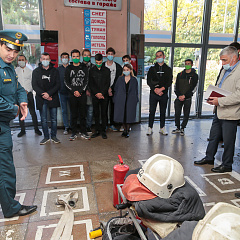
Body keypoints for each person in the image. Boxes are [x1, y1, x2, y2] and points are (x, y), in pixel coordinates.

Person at [0, 30, 37, 218]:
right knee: (5, 170)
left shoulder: (8, 68)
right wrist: (13, 109)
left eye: (15, 52)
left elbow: (18, 88)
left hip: (4, 124)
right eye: (8, 49)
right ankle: (11, 208)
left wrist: (23, 101)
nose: (12, 55)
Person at [194, 46, 240, 173]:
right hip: (219, 110)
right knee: (213, 137)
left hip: (230, 113)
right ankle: (209, 158)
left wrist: (219, 100)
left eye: (224, 60)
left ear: (234, 58)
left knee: (228, 141)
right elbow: (221, 86)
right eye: (221, 60)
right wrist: (213, 96)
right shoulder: (226, 70)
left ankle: (227, 165)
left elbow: (238, 95)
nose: (222, 63)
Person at [32, 52, 61, 145]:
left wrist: (49, 94)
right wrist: (43, 94)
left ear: (49, 60)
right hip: (41, 98)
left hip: (53, 97)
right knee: (43, 119)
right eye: (43, 59)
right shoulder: (36, 71)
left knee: (54, 119)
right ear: (40, 60)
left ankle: (53, 136)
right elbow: (34, 85)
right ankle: (46, 137)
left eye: (47, 59)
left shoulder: (55, 71)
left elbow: (58, 84)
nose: (45, 61)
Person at [64, 49, 90, 141]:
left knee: (83, 114)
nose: (75, 58)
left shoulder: (84, 67)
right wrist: (74, 91)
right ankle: (73, 132)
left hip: (82, 94)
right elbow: (66, 82)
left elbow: (86, 81)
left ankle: (84, 132)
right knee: (73, 114)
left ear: (80, 57)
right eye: (74, 56)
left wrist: (80, 91)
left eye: (77, 56)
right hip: (72, 95)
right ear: (71, 57)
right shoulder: (68, 68)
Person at [146, 50, 173, 136]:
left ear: (164, 57)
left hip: (163, 94)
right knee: (152, 111)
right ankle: (150, 128)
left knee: (162, 112)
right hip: (154, 94)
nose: (159, 57)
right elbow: (149, 81)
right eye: (157, 56)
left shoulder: (168, 69)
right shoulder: (152, 69)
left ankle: (162, 128)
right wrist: (155, 89)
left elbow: (169, 82)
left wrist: (162, 89)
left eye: (160, 56)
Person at [15, 54, 42, 137]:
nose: (21, 61)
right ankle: (22, 130)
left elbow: (33, 82)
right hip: (19, 95)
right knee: (21, 113)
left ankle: (36, 129)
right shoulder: (15, 71)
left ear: (26, 61)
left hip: (29, 94)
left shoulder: (30, 71)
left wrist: (28, 90)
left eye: (23, 60)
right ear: (17, 61)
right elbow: (14, 83)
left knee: (32, 112)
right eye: (20, 60)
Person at [172, 59, 198, 136]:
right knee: (177, 113)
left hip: (187, 98)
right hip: (178, 98)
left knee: (186, 114)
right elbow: (175, 86)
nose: (187, 65)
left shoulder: (194, 76)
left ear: (192, 65)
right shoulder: (180, 74)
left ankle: (183, 128)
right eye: (186, 63)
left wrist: (185, 96)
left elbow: (194, 88)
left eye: (189, 63)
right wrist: (179, 95)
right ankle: (177, 127)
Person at [89, 53, 111, 139]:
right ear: (95, 61)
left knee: (104, 113)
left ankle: (103, 131)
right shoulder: (91, 70)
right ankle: (97, 130)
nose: (98, 64)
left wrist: (102, 93)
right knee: (96, 113)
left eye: (100, 62)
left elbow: (107, 83)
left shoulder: (106, 70)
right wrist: (96, 93)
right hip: (95, 96)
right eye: (97, 62)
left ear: (102, 60)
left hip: (104, 95)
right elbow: (91, 83)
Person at [113, 64, 138, 138]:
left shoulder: (134, 80)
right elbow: (116, 89)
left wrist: (136, 99)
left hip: (130, 99)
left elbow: (136, 91)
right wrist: (115, 98)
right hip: (121, 99)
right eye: (124, 70)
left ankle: (127, 130)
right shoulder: (120, 79)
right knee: (122, 115)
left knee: (129, 115)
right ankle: (124, 130)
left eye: (127, 70)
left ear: (130, 70)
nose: (126, 71)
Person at [103, 47, 122, 131]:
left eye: (111, 54)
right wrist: (107, 88)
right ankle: (105, 124)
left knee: (113, 108)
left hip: (114, 91)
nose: (110, 56)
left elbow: (118, 79)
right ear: (106, 55)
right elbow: (101, 79)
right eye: (108, 54)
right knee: (104, 108)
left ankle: (112, 124)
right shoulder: (103, 65)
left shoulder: (117, 66)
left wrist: (111, 88)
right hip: (104, 90)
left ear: (114, 55)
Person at [57, 52, 71, 135]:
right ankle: (66, 126)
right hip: (62, 93)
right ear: (61, 59)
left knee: (73, 110)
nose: (65, 59)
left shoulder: (71, 68)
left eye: (66, 57)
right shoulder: (58, 70)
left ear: (69, 59)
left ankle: (72, 126)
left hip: (71, 93)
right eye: (63, 57)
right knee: (64, 111)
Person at [82, 49, 94, 133]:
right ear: (82, 56)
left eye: (88, 55)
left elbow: (93, 80)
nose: (87, 57)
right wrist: (84, 89)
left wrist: (89, 89)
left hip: (91, 92)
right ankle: (82, 127)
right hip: (81, 92)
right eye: (85, 55)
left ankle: (88, 126)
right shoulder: (79, 66)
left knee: (90, 110)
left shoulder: (93, 67)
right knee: (82, 111)